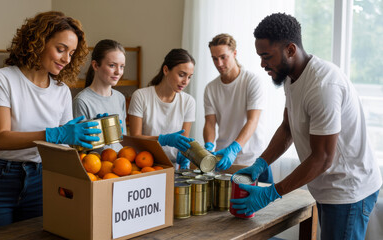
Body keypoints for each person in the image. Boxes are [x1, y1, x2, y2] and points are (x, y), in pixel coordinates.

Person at [231, 13, 382, 240]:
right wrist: (260, 164)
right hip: (328, 184)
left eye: (266, 56)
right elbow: (287, 128)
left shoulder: (323, 85)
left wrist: (271, 193)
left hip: (348, 190)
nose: (262, 64)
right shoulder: (292, 77)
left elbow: (322, 158)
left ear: (290, 50)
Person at [0, 11, 101, 232]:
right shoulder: (2, 79)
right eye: (60, 49)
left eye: (71, 53)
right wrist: (54, 134)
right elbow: (0, 138)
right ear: (38, 41)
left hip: (42, 177)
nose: (66, 59)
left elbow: (65, 143)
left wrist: (87, 133)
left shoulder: (61, 91)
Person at [203, 33, 272, 183]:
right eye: (214, 58)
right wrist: (208, 146)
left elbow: (253, 120)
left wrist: (234, 148)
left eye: (223, 57)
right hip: (224, 162)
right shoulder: (211, 88)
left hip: (253, 160)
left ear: (234, 53)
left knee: (264, 206)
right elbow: (209, 123)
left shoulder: (252, 81)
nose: (219, 63)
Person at [128, 48, 195, 167]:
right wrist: (163, 139)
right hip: (144, 166)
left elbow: (183, 142)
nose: (185, 81)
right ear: (166, 70)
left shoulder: (188, 102)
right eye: (181, 75)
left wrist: (185, 156)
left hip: (172, 168)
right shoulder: (141, 96)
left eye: (189, 77)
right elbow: (135, 138)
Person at [73, 39, 127, 152]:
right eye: (112, 65)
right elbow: (80, 149)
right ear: (96, 65)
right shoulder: (82, 101)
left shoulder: (120, 98)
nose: (118, 72)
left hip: (121, 165)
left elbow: (123, 141)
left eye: (122, 66)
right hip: (95, 166)